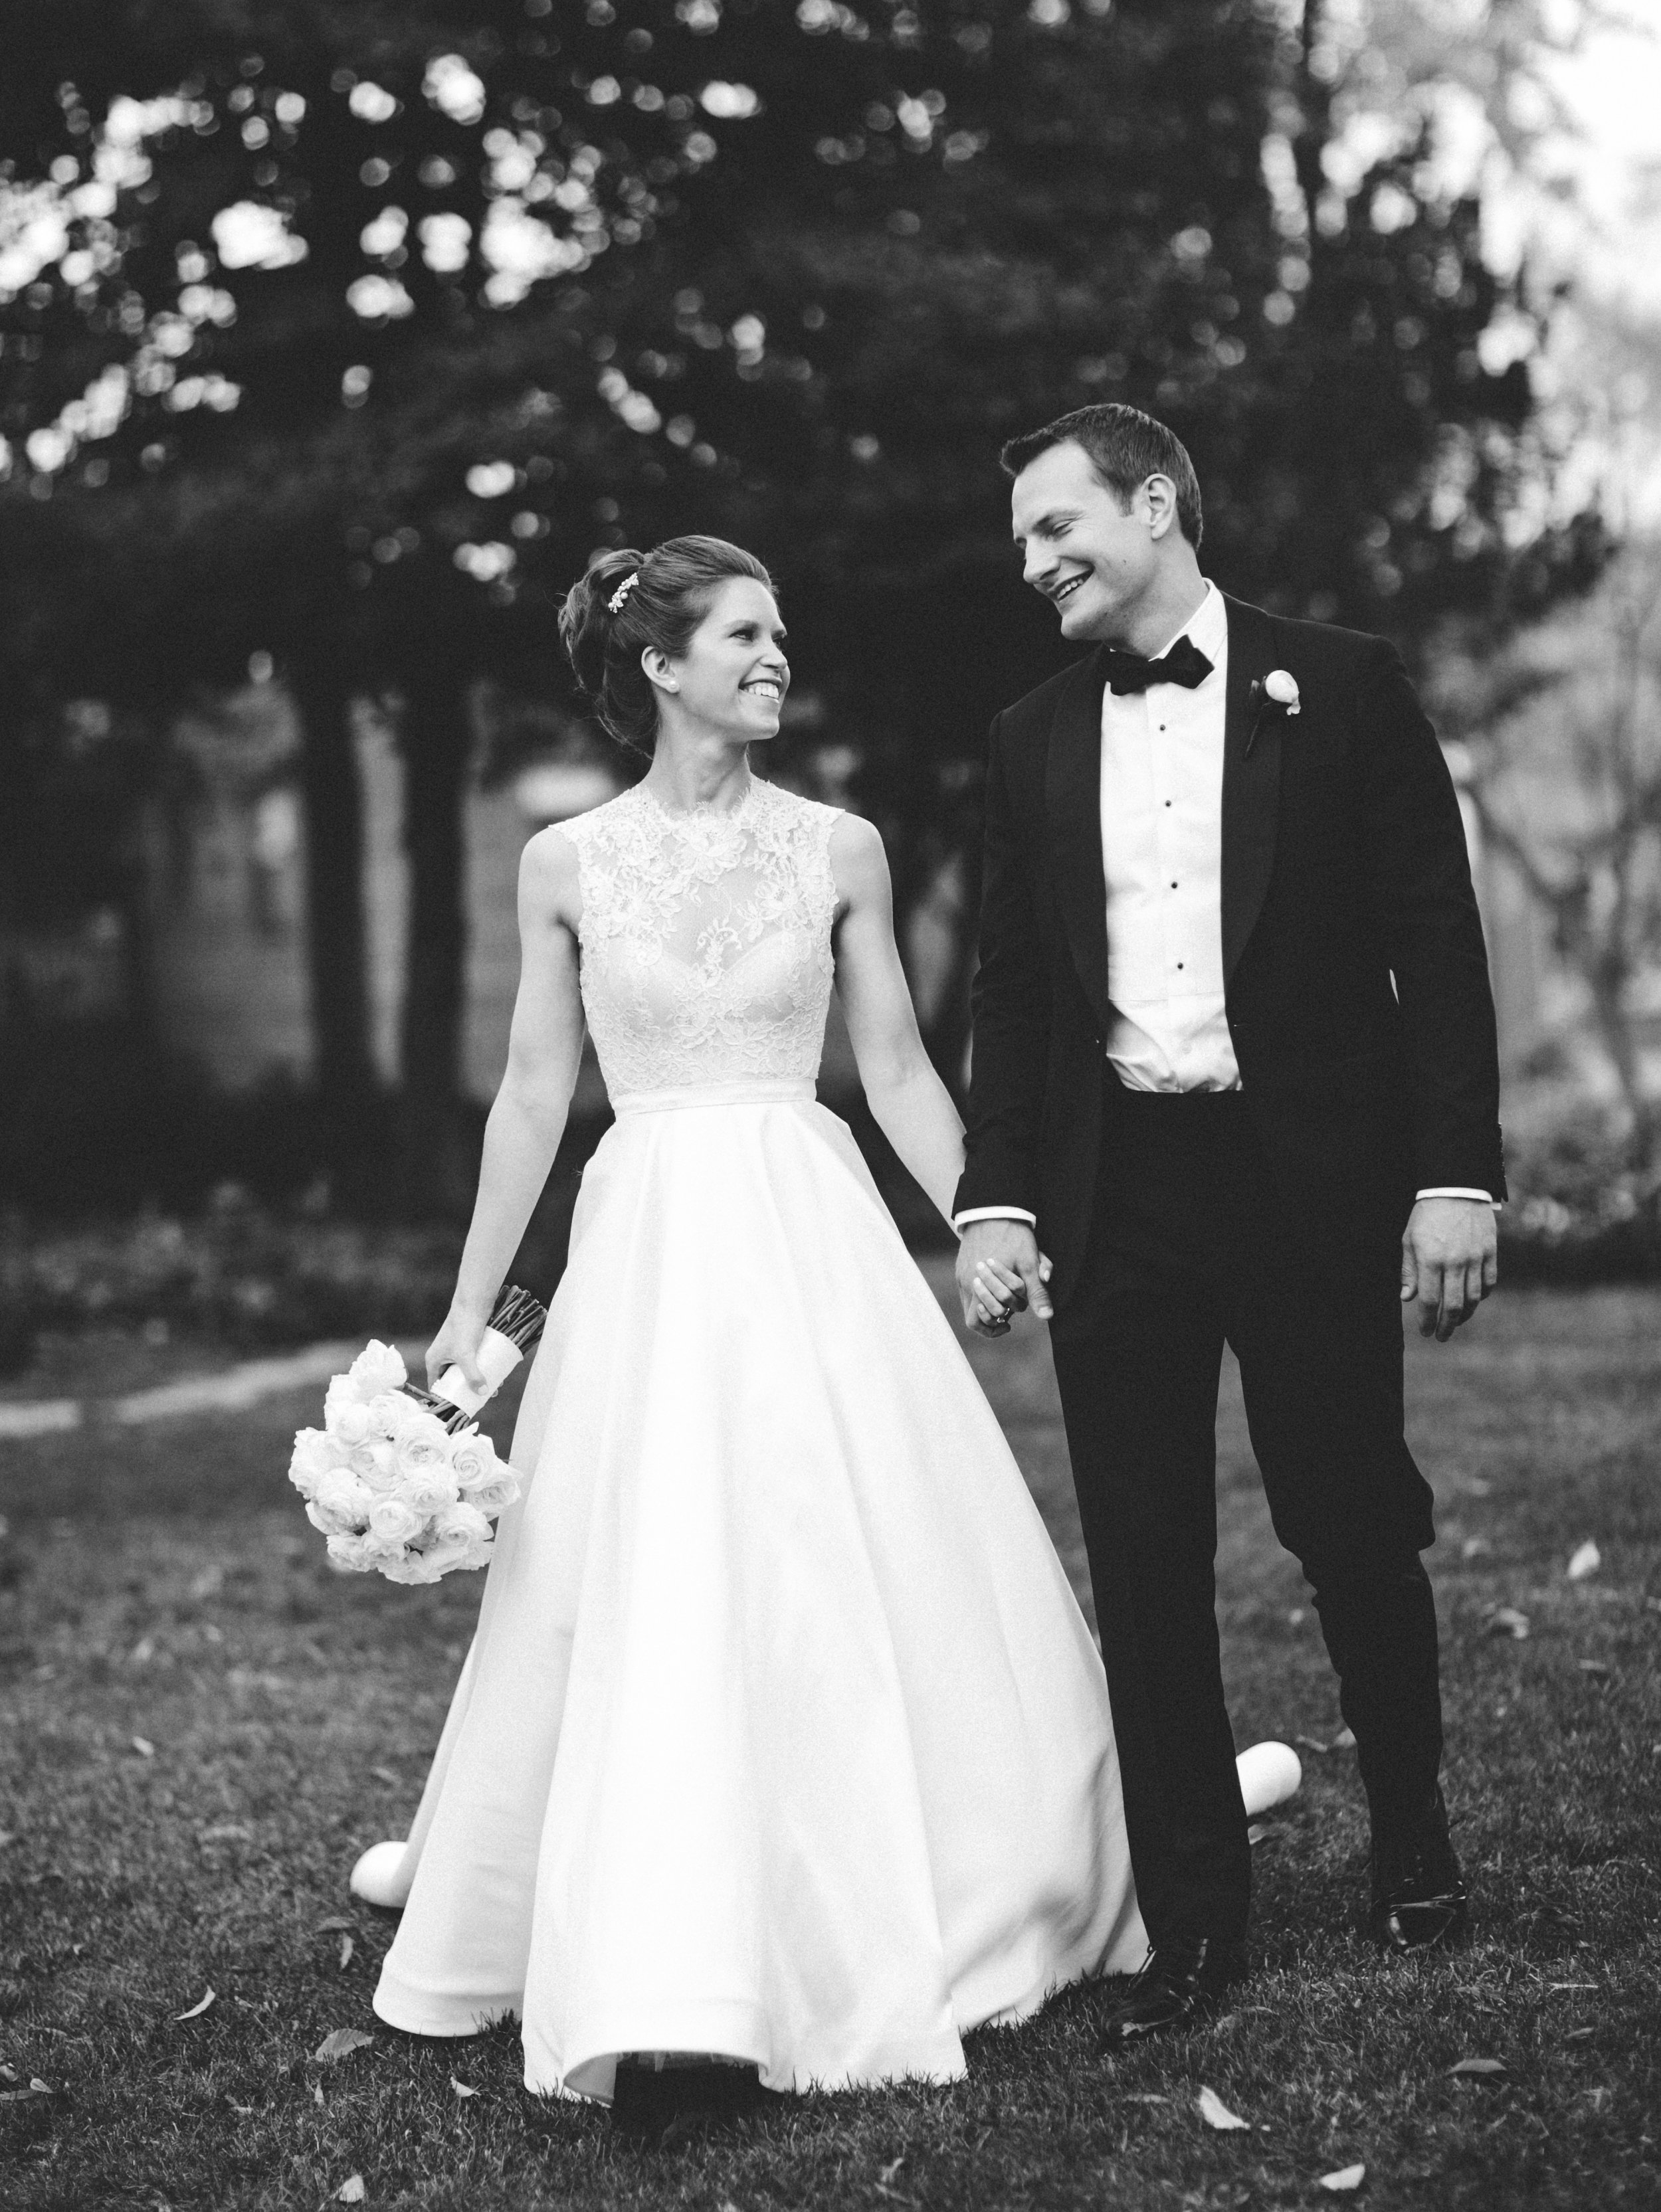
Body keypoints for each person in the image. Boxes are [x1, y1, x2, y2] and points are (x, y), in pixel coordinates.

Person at [360, 533, 1148, 2134]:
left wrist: (984, 1219)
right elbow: (530, 1095)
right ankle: (651, 1939)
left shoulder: (838, 848)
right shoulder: (566, 865)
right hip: (644, 1230)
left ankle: (916, 1882)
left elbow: (902, 1074)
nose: (777, 657)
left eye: (781, 632)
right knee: (641, 1565)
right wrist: (465, 1305)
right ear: (660, 667)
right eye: (742, 635)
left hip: (806, 1221)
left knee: (820, 1545)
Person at [952, 404, 1504, 2047]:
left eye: (1058, 529)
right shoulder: (1028, 735)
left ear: (1154, 504)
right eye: (1020, 546)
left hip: (1306, 1176)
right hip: (1119, 1193)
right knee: (1138, 1550)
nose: (1035, 564)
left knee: (1345, 1515)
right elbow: (1011, 991)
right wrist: (996, 1195)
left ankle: (1409, 1837)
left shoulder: (1336, 685)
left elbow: (1437, 944)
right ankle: (1193, 1918)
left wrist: (1452, 1175)